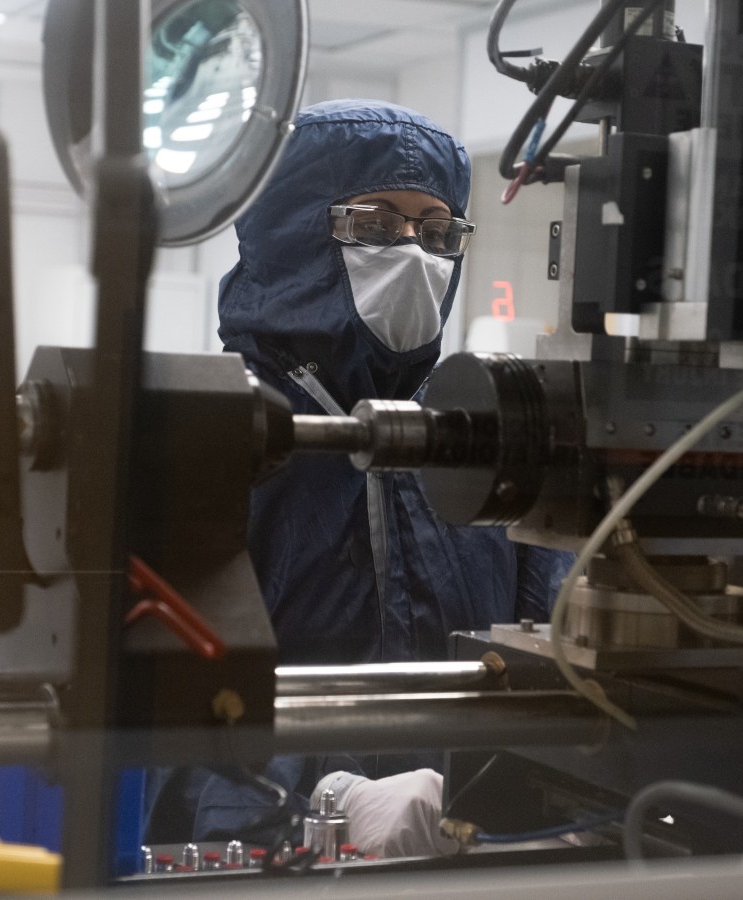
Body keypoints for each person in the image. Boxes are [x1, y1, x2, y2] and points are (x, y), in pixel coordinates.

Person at [146, 98, 571, 857]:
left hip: (462, 857)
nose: (412, 252)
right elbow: (149, 723)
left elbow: (545, 682)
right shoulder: (201, 445)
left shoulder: (488, 447)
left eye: (436, 231)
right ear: (291, 233)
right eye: (374, 225)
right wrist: (325, 796)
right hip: (255, 869)